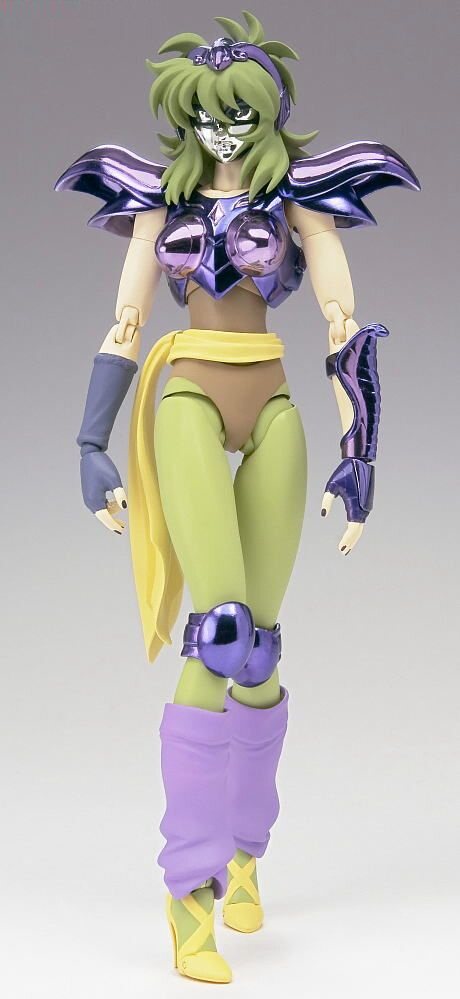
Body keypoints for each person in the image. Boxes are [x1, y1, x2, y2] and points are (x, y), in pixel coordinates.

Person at [55, 10, 420, 985]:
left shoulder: (297, 196)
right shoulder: (159, 200)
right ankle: (189, 888)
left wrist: (361, 447)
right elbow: (125, 321)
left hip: (276, 403)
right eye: (206, 115)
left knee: (259, 651)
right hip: (187, 394)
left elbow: (342, 318)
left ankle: (247, 852)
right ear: (185, 118)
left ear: (269, 115)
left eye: (240, 113)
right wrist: (91, 439)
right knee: (218, 633)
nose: (222, 129)